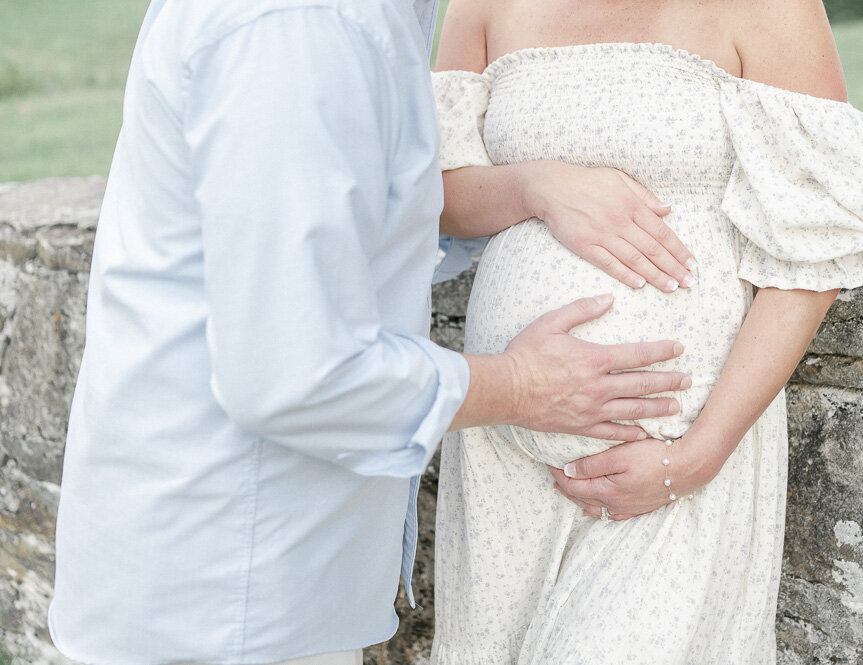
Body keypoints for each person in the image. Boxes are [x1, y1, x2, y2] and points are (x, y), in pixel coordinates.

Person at [46, 1, 701, 664]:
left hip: (252, 581)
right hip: (224, 591)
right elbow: (294, 371)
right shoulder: (299, 29)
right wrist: (525, 385)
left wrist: (530, 187)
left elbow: (355, 226)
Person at [429, 0, 863, 662]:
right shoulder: (483, 5)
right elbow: (444, 193)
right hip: (501, 460)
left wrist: (696, 456)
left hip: (674, 460)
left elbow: (817, 244)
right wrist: (537, 187)